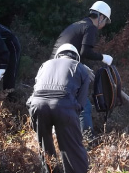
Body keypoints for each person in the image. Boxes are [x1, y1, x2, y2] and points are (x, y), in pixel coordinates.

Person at [50, 1, 114, 135]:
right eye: (105, 21)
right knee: (83, 105)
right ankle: (87, 139)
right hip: (66, 67)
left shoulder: (78, 25)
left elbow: (69, 51)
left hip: (54, 67)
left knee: (61, 100)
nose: (103, 26)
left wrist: (80, 65)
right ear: (100, 17)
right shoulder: (90, 27)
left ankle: (60, 133)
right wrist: (103, 57)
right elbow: (85, 52)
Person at [27, 43, 90, 173]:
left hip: (37, 105)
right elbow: (81, 103)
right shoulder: (81, 68)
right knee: (72, 150)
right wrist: (66, 122)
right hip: (64, 107)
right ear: (76, 57)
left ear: (58, 55)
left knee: (45, 149)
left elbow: (36, 89)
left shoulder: (45, 65)